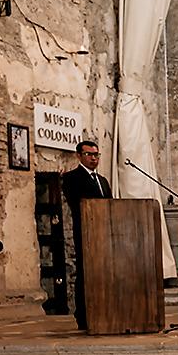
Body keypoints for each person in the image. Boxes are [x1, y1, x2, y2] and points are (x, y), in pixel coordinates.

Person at [61, 140, 112, 329]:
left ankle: (104, 310)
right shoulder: (71, 178)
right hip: (86, 233)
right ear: (79, 156)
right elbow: (77, 205)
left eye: (96, 155)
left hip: (104, 234)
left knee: (103, 273)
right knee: (86, 272)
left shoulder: (103, 181)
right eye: (89, 154)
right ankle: (83, 315)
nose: (93, 158)